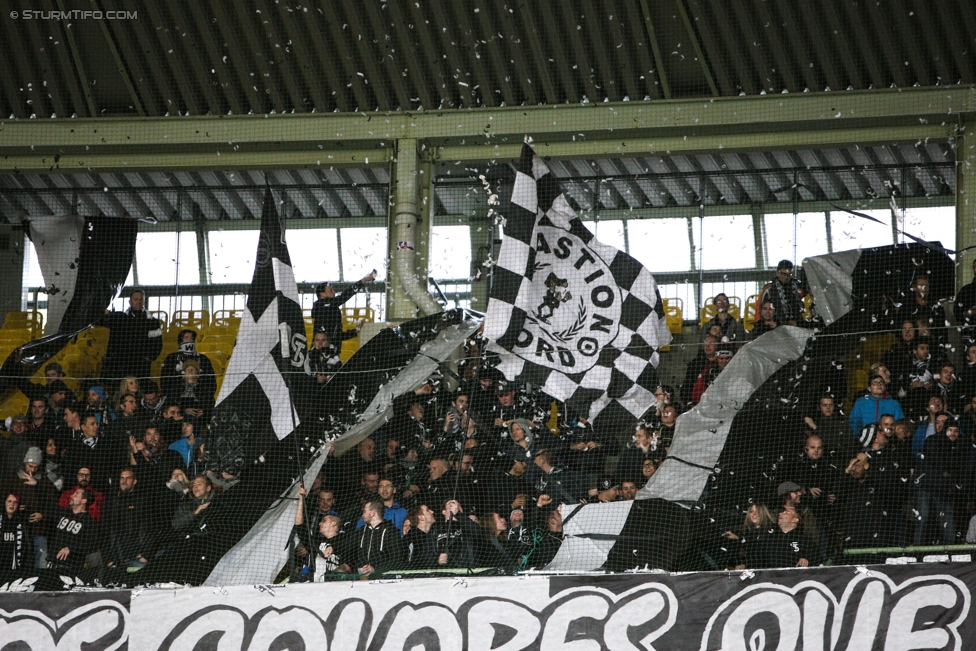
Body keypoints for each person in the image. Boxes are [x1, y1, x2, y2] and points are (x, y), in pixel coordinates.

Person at [99, 289, 164, 381]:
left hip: (140, 367)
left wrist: (149, 357)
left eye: (141, 299)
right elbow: (99, 319)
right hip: (119, 366)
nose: (139, 301)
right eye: (136, 299)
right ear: (130, 301)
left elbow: (158, 343)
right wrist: (104, 312)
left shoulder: (152, 322)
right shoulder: (119, 318)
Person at [102, 468, 150, 570]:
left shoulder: (143, 502)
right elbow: (104, 532)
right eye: (122, 478)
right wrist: (108, 559)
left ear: (135, 481)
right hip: (116, 559)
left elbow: (150, 530)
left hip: (137, 557)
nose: (124, 481)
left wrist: (146, 555)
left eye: (128, 478)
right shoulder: (112, 503)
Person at [311, 272, 375, 348]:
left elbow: (338, 336)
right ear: (322, 294)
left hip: (331, 354)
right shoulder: (320, 305)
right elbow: (344, 296)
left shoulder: (332, 310)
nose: (334, 292)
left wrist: (355, 331)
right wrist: (363, 280)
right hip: (321, 354)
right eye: (330, 290)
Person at [48, 488, 98, 576]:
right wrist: (37, 485)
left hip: (71, 567)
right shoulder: (64, 513)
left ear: (83, 501)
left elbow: (92, 544)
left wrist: (71, 548)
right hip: (52, 563)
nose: (71, 496)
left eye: (76, 494)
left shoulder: (88, 521)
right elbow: (47, 503)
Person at [160, 329, 217, 405]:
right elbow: (164, 382)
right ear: (181, 340)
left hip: (200, 400)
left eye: (192, 338)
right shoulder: (171, 359)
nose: (190, 340)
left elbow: (211, 382)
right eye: (186, 338)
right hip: (177, 401)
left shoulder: (203, 359)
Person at [352, 499, 403, 575]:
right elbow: (351, 551)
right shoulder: (361, 531)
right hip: (362, 578)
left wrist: (376, 569)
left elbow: (397, 558)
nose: (362, 515)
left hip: (384, 578)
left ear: (373, 513)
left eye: (365, 511)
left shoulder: (391, 532)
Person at [847, 372, 904, 438]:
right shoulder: (860, 402)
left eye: (881, 382)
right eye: (875, 383)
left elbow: (899, 424)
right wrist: (861, 437)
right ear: (869, 388)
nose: (879, 385)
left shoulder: (894, 404)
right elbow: (854, 422)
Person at [723, 503, 775, 570]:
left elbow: (762, 555)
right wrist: (737, 538)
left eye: (757, 511)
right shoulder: (750, 532)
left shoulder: (770, 531)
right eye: (751, 511)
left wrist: (746, 565)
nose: (753, 514)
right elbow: (750, 549)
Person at [759, 260, 805, 326]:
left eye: (789, 274)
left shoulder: (797, 287)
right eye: (783, 274)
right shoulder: (769, 289)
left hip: (797, 323)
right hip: (776, 325)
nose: (786, 277)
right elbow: (760, 309)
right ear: (777, 272)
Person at [0, 493, 33, 580]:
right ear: (4, 503)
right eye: (9, 501)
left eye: (15, 502)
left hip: (15, 569)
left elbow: (27, 548)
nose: (12, 504)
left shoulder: (22, 523)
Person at [954, 259, 976, 345]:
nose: (975, 270)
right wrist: (967, 313)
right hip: (971, 335)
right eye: (974, 267)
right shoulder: (966, 290)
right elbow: (956, 312)